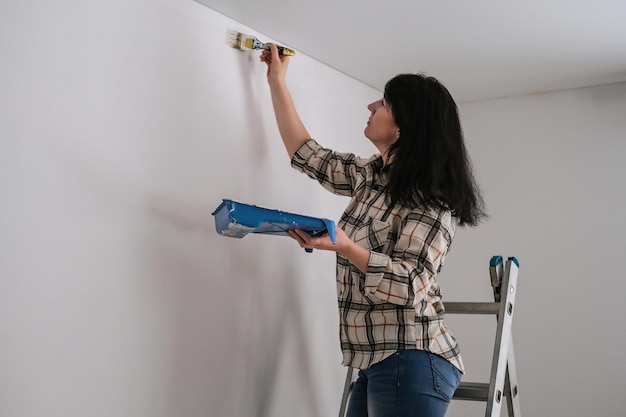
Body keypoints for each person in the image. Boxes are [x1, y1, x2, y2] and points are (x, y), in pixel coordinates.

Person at [260, 43, 486, 417]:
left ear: (402, 126)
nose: (371, 107)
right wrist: (276, 80)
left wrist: (346, 246)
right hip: (378, 359)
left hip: (412, 356)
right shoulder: (371, 176)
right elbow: (306, 153)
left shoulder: (430, 199)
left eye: (383, 104)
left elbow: (411, 284)